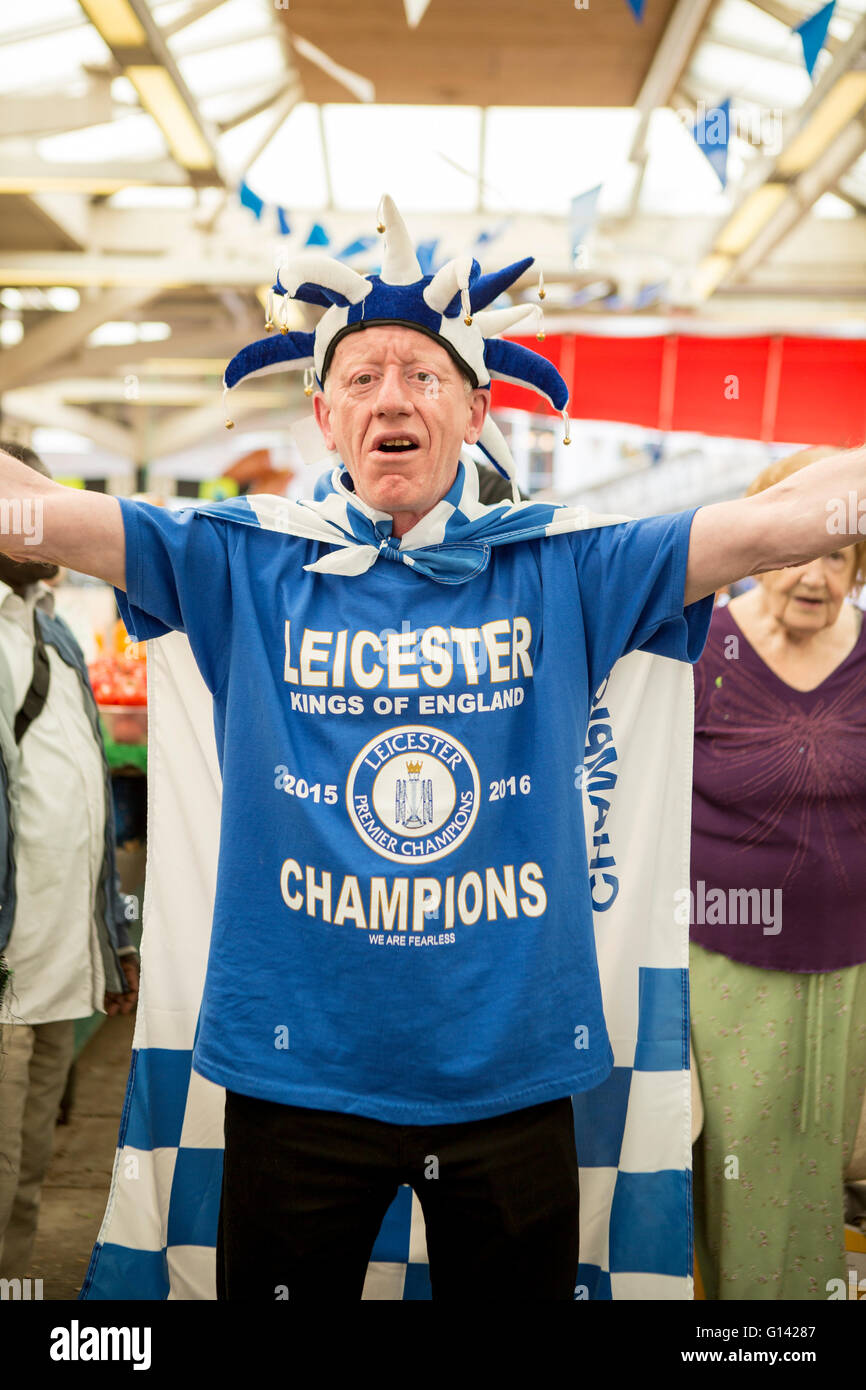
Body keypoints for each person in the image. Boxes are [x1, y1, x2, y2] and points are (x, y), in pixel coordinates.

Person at [1, 199, 866, 1301]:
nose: (389, 397)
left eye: (420, 373)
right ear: (323, 415)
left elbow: (781, 522)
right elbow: (31, 510)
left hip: (508, 1080)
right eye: (359, 378)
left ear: (476, 406)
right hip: (293, 1073)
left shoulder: (563, 565)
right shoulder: (238, 563)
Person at [689, 446, 866, 1300]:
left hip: (851, 969)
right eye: (796, 552)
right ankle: (746, 1339)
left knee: (828, 1167)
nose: (813, 576)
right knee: (737, 1175)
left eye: (837, 555)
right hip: (726, 968)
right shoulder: (702, 651)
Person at [0, 441, 140, 1285]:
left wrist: (110, 937)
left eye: (35, 501)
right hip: (8, 964)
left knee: (28, 1170)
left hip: (62, 961)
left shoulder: (53, 630)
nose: (31, 521)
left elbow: (86, 791)